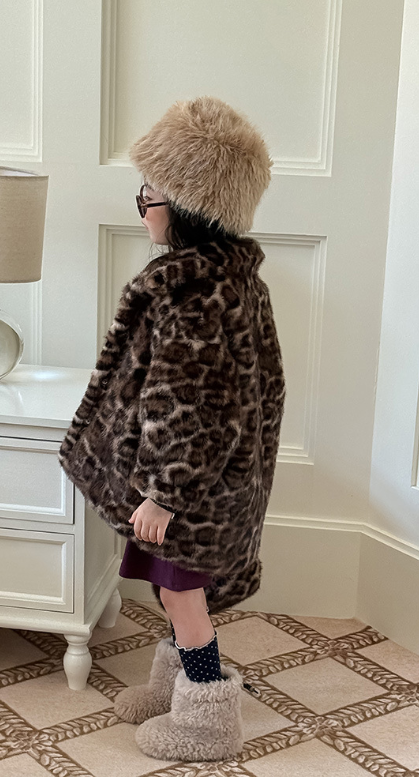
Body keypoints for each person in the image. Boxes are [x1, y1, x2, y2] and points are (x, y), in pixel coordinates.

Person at [58, 95, 286, 762]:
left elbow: (191, 409)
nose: (143, 208)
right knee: (172, 587)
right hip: (218, 484)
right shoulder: (235, 281)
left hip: (189, 490)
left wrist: (164, 493)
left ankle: (207, 719)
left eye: (149, 196)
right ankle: (174, 686)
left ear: (188, 207)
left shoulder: (192, 296)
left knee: (183, 594)